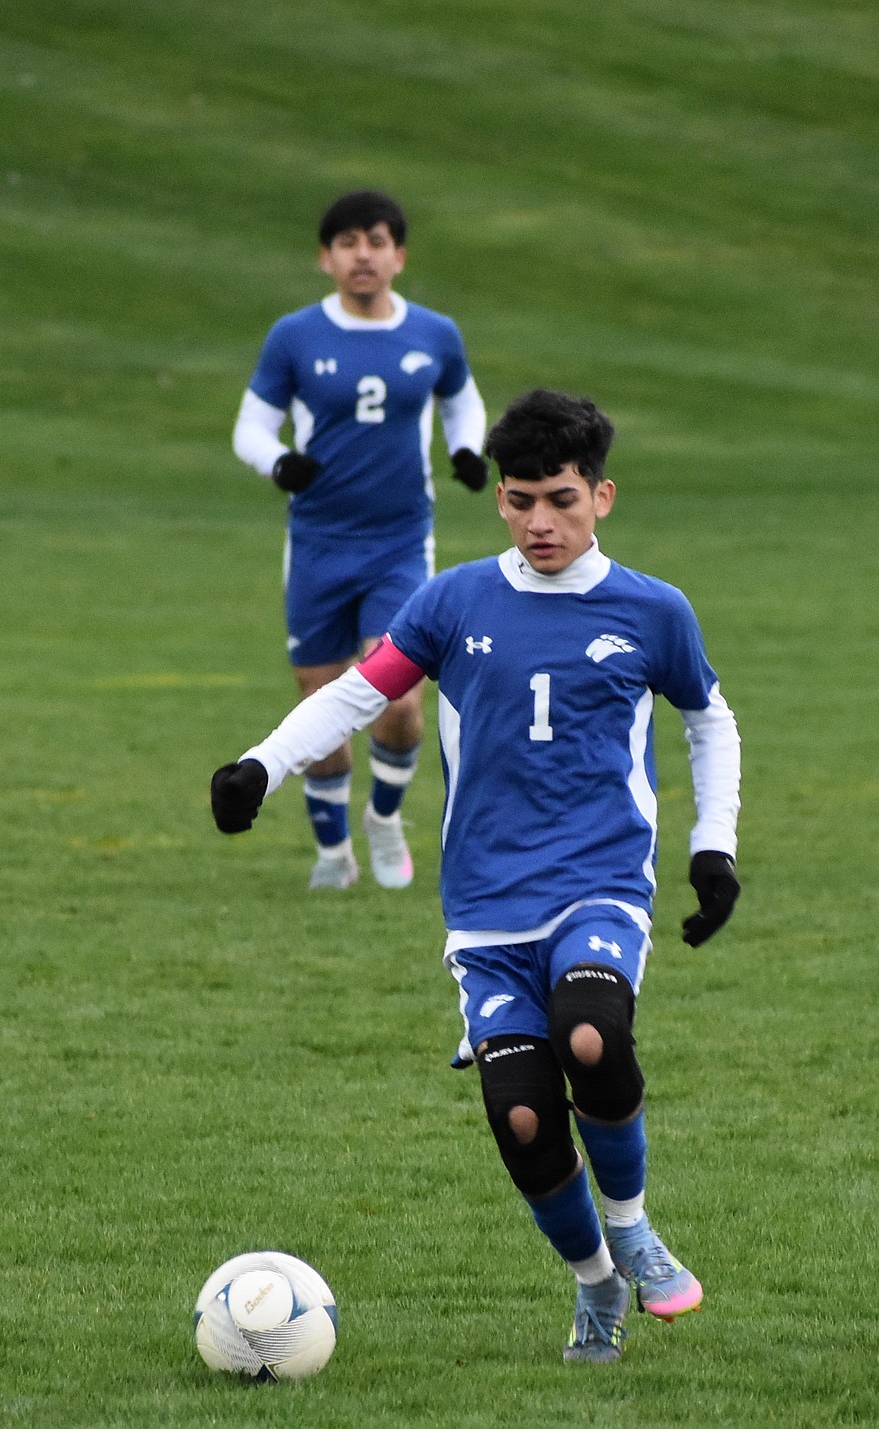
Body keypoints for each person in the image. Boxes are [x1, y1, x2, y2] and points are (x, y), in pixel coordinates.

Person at [211, 388, 742, 1363]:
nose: (542, 521)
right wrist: (261, 765)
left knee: (591, 1033)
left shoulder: (652, 609)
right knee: (526, 1115)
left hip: (600, 882)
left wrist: (715, 846)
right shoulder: (454, 601)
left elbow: (710, 719)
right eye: (521, 499)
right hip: (489, 909)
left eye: (563, 500)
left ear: (603, 497)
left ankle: (630, 1227)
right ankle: (594, 1287)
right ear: (499, 497)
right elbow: (354, 699)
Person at [231, 189, 487, 892]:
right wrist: (278, 460)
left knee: (399, 694)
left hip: (401, 541)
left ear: (399, 256)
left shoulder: (434, 333)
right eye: (346, 242)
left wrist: (467, 449)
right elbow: (250, 426)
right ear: (325, 258)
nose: (362, 254)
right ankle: (332, 852)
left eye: (376, 240)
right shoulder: (295, 336)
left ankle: (385, 816)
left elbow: (462, 398)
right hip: (317, 542)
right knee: (319, 702)